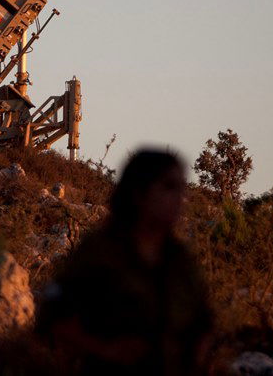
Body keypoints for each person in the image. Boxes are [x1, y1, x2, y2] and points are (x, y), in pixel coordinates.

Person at [38, 148, 213, 375]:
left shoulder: (179, 259)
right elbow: (53, 319)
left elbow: (203, 324)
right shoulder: (100, 252)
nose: (179, 199)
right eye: (168, 187)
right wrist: (105, 351)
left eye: (181, 188)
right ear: (139, 193)